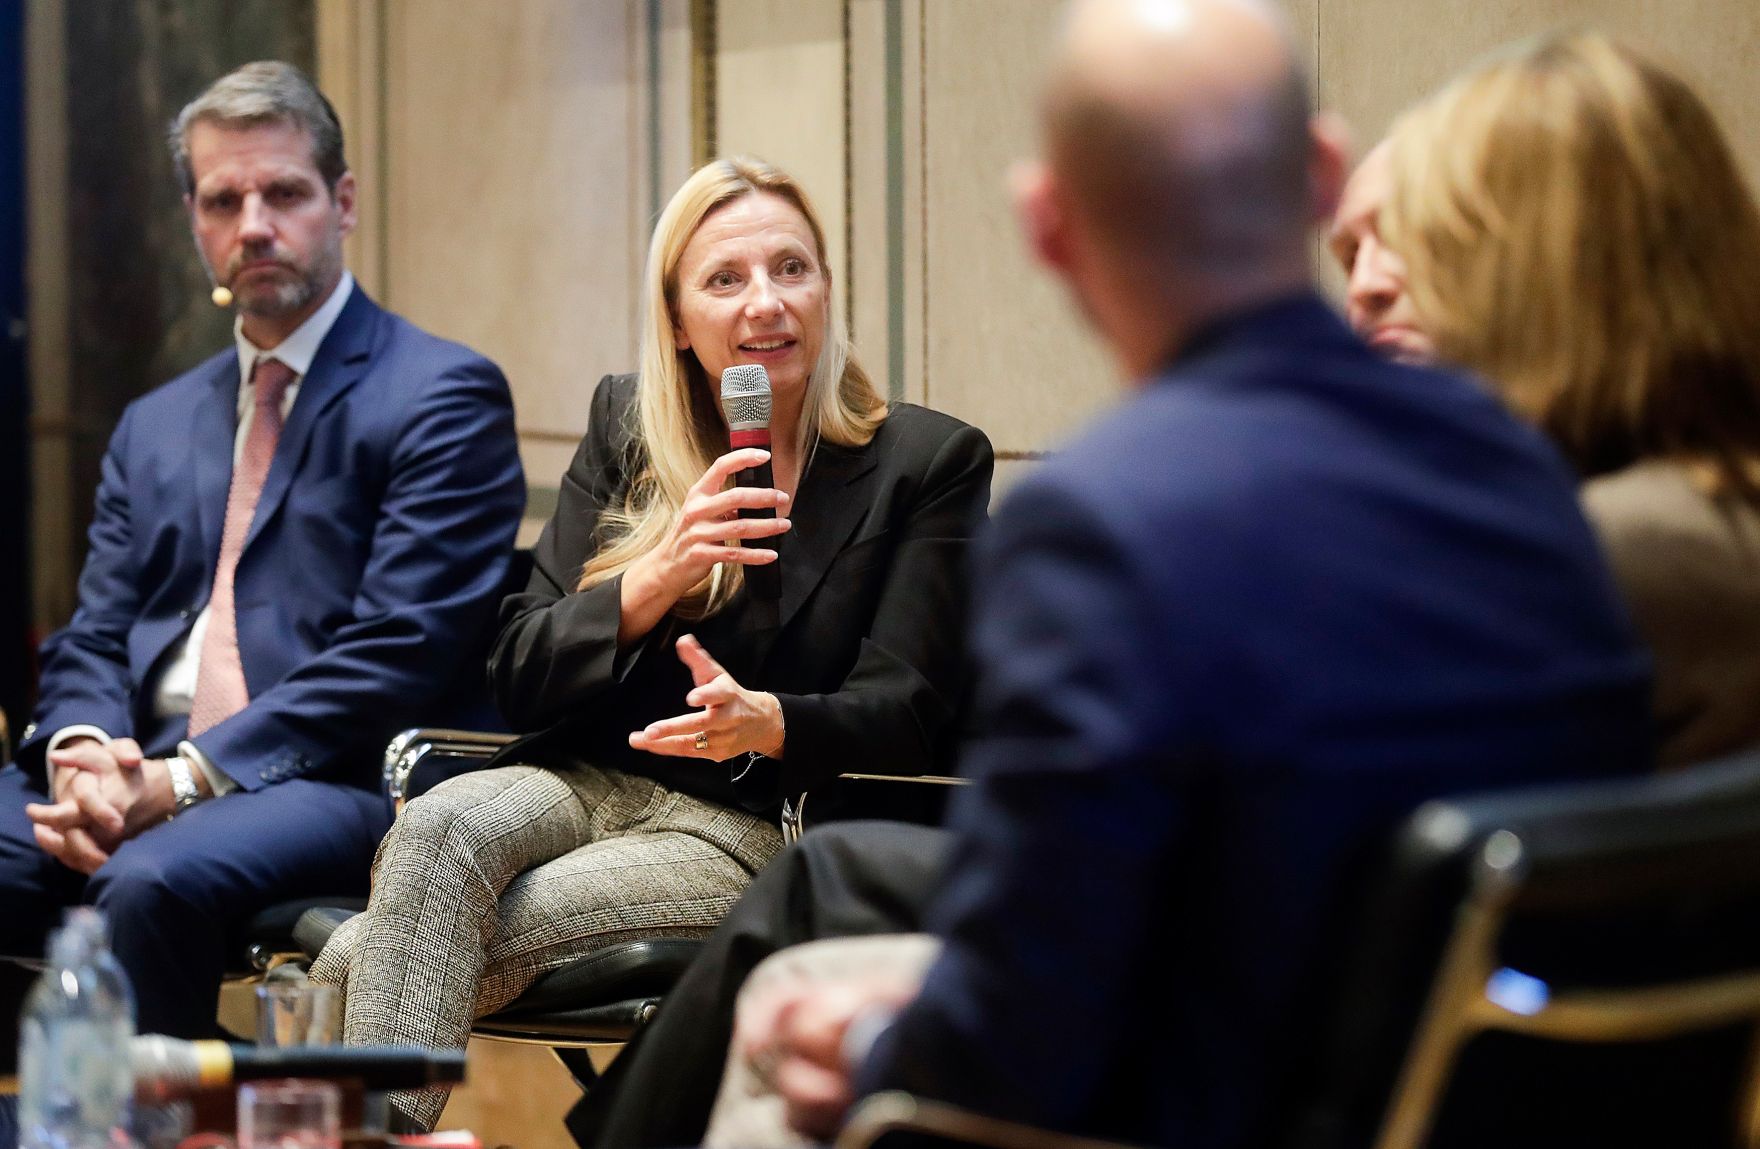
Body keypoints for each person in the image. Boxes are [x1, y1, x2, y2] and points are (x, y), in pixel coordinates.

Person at [687, 2, 1653, 1147]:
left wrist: (866, 1044)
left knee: (787, 1028)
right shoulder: (1514, 466)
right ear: (1322, 174)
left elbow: (1016, 1046)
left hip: (1239, 1105)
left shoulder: (1100, 522)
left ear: (1048, 226)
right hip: (1497, 1096)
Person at [309, 155, 993, 1131]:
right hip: (582, 778)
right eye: (724, 279)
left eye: (790, 269)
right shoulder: (628, 429)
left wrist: (766, 722)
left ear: (827, 289)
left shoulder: (924, 464)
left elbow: (908, 717)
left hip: (747, 826)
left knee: (350, 960)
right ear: (678, 320)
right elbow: (518, 672)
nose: (765, 303)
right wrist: (655, 578)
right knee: (440, 826)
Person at [0, 61, 526, 1041]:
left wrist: (182, 779)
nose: (253, 224)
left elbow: (396, 655)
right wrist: (81, 755)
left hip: (336, 778)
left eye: (283, 192)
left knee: (145, 880)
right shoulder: (156, 423)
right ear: (194, 220)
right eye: (222, 199)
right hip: (137, 764)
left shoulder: (440, 396)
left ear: (343, 200)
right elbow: (95, 632)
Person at [1355, 33, 1760, 767]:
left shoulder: (1604, 557)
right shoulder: (1699, 506)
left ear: (1539, 276)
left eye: (1434, 246)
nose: (1372, 286)